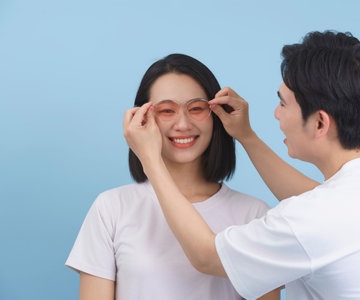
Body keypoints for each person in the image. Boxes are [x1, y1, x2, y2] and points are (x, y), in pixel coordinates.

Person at [123, 31, 360, 300]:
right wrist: (246, 137)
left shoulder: (306, 223)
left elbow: (206, 255)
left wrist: (149, 159)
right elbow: (324, 201)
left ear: (319, 123)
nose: (275, 114)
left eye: (283, 102)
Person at [66, 54, 280, 300]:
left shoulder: (254, 215)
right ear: (141, 117)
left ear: (217, 115)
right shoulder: (111, 209)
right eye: (166, 110)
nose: (183, 124)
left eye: (197, 109)